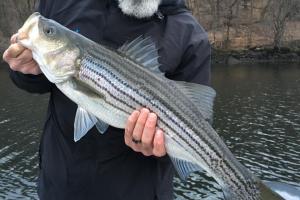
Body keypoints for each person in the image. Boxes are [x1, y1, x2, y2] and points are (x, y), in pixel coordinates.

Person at [2, 0, 211, 199]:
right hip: (59, 186)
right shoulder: (61, 3)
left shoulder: (190, 36)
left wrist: (159, 149)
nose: (44, 30)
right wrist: (26, 69)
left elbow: (194, 132)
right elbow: (37, 79)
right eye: (49, 32)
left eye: (48, 32)